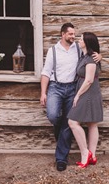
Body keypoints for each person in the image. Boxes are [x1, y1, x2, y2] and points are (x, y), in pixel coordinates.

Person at [40, 23, 101, 172]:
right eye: (70, 34)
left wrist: (100, 55)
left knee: (69, 122)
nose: (73, 37)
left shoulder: (78, 49)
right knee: (53, 116)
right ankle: (63, 130)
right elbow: (46, 72)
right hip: (56, 87)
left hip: (73, 87)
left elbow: (91, 56)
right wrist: (43, 92)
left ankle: (61, 158)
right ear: (62, 34)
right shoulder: (53, 50)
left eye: (74, 34)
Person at [67, 32, 103, 169]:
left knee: (72, 122)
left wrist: (77, 95)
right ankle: (92, 156)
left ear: (87, 43)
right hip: (89, 91)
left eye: (81, 39)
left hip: (88, 92)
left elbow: (88, 80)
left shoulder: (91, 58)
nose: (78, 40)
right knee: (92, 124)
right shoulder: (85, 56)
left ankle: (85, 153)